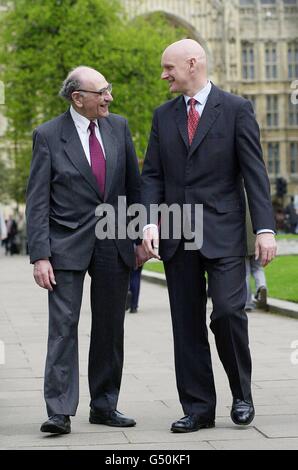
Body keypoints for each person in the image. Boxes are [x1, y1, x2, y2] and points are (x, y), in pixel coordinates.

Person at [142, 39, 277, 433]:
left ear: (192, 62)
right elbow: (152, 175)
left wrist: (265, 229)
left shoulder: (236, 109)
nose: (164, 75)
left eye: (169, 67)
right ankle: (198, 409)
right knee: (186, 324)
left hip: (224, 232)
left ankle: (242, 393)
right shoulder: (162, 116)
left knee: (228, 313)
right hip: (176, 234)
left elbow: (255, 172)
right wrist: (149, 222)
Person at [26, 66, 147, 435]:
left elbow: (133, 188)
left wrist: (139, 235)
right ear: (78, 98)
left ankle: (104, 404)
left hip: (114, 239)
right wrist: (40, 255)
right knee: (63, 326)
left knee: (111, 326)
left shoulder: (119, 128)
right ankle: (59, 411)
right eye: (102, 92)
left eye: (108, 89)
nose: (109, 97)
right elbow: (37, 201)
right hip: (65, 245)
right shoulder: (47, 135)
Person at [245, 197, 268, 311]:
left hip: (244, 243)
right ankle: (261, 286)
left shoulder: (235, 195)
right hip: (258, 241)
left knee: (246, 272)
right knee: (258, 268)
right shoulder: (256, 198)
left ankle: (247, 302)